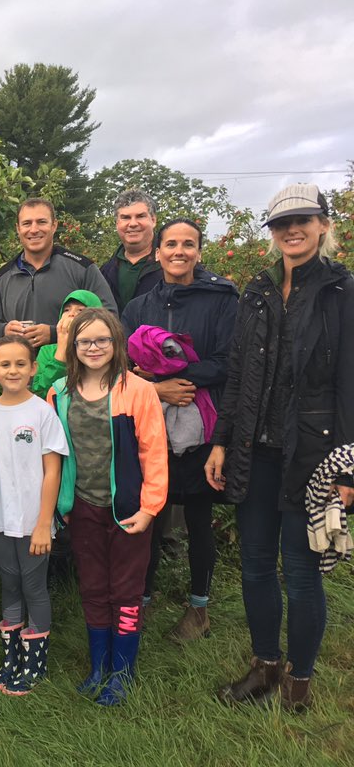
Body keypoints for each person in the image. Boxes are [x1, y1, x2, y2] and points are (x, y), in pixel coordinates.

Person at [205, 183, 354, 712]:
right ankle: (265, 664)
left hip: (313, 455)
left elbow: (349, 381)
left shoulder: (340, 291)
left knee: (301, 567)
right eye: (280, 223)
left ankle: (300, 682)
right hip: (254, 448)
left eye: (303, 220)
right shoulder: (258, 291)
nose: (292, 230)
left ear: (322, 225)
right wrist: (222, 440)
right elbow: (241, 373)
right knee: (254, 563)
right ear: (271, 233)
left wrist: (348, 469)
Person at [121, 218, 238, 641]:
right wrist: (156, 388)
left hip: (203, 428)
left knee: (199, 518)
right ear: (158, 251)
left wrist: (176, 378)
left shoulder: (222, 299)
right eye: (171, 244)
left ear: (199, 252)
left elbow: (227, 362)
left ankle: (198, 609)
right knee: (148, 517)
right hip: (150, 431)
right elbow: (126, 367)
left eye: (188, 244)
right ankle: (143, 600)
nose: (178, 251)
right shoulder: (139, 308)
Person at [47, 308, 168, 706]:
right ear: (72, 346)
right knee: (94, 587)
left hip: (129, 510)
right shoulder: (59, 393)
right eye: (85, 341)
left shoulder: (137, 390)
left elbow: (154, 453)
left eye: (102, 340)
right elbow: (56, 457)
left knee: (126, 591)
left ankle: (123, 671)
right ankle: (98, 666)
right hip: (83, 507)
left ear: (116, 343)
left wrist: (150, 508)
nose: (94, 347)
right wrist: (60, 503)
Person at [0, 336, 67, 695]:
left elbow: (53, 471)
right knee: (9, 584)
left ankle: (35, 663)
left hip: (33, 520)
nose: (13, 370)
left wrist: (44, 522)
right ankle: (12, 656)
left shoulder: (42, 412)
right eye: (5, 365)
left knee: (33, 587)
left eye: (20, 364)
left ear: (32, 369)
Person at [0, 197, 116, 347]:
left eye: (41, 222)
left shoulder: (82, 268)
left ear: (54, 225)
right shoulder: (4, 276)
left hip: (70, 368)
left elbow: (109, 318)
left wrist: (55, 334)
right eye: (27, 223)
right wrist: (4, 330)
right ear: (18, 229)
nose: (34, 229)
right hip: (19, 368)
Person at [30, 289, 104, 397]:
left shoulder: (100, 349)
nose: (72, 314)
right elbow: (40, 393)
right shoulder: (48, 351)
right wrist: (62, 351)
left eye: (80, 310)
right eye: (67, 310)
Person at [100, 189, 163, 311]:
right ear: (117, 223)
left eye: (140, 216)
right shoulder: (104, 272)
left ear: (153, 220)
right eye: (126, 217)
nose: (133, 223)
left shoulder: (172, 264)